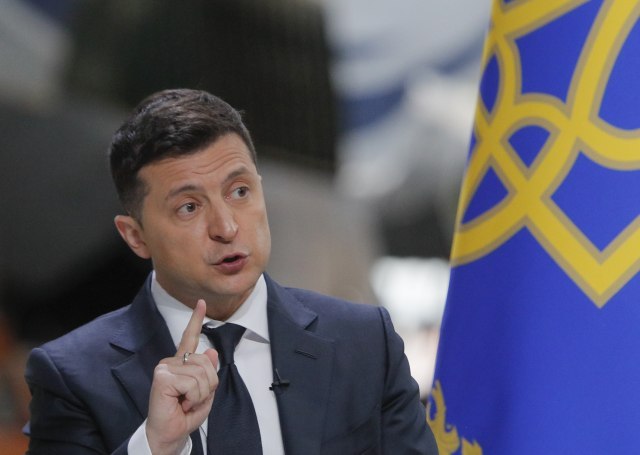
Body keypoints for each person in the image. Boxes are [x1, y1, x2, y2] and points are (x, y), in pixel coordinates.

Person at [23, 88, 438, 454]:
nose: (226, 227)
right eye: (189, 207)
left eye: (240, 191)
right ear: (136, 236)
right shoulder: (72, 376)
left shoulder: (365, 343)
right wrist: (154, 446)